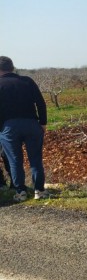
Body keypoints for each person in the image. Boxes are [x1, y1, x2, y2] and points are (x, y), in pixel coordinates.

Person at [0, 56, 48, 201]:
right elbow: (41, 103)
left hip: (9, 127)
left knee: (15, 160)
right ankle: (39, 191)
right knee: (35, 160)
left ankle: (20, 192)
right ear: (12, 67)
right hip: (31, 124)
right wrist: (42, 123)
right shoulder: (27, 81)